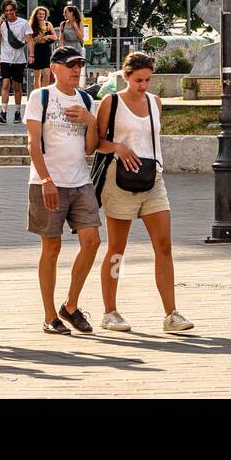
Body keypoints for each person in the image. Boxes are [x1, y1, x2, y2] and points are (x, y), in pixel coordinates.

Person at [96, 52, 193, 334]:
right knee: (117, 248)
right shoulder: (111, 102)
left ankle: (171, 314)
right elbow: (95, 142)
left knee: (164, 245)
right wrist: (117, 147)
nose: (143, 85)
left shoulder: (155, 102)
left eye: (148, 80)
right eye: (138, 80)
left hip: (153, 179)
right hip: (120, 180)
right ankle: (110, 311)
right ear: (125, 76)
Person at [24, 45, 100, 334]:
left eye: (79, 65)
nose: (76, 71)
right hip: (48, 182)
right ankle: (48, 316)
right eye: (70, 66)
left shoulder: (85, 100)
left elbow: (90, 148)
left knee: (92, 241)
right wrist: (46, 180)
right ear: (54, 68)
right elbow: (32, 143)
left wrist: (90, 121)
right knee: (51, 247)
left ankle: (70, 305)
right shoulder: (40, 97)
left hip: (80, 181)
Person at [0, 0, 33, 124]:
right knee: (5, 84)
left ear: (15, 10)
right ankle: (3, 112)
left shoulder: (23, 23)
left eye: (11, 10)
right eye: (6, 11)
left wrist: (31, 55)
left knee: (17, 87)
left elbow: (29, 40)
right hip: (5, 59)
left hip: (19, 60)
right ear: (4, 12)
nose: (9, 13)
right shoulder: (2, 25)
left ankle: (17, 112)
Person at [29, 6, 57, 89]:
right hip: (36, 49)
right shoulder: (31, 25)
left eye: (43, 14)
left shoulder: (48, 24)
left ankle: (44, 93)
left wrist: (47, 36)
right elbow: (29, 39)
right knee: (37, 75)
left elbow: (55, 37)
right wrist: (35, 40)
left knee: (47, 73)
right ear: (36, 15)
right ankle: (37, 94)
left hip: (45, 49)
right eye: (40, 14)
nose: (41, 15)